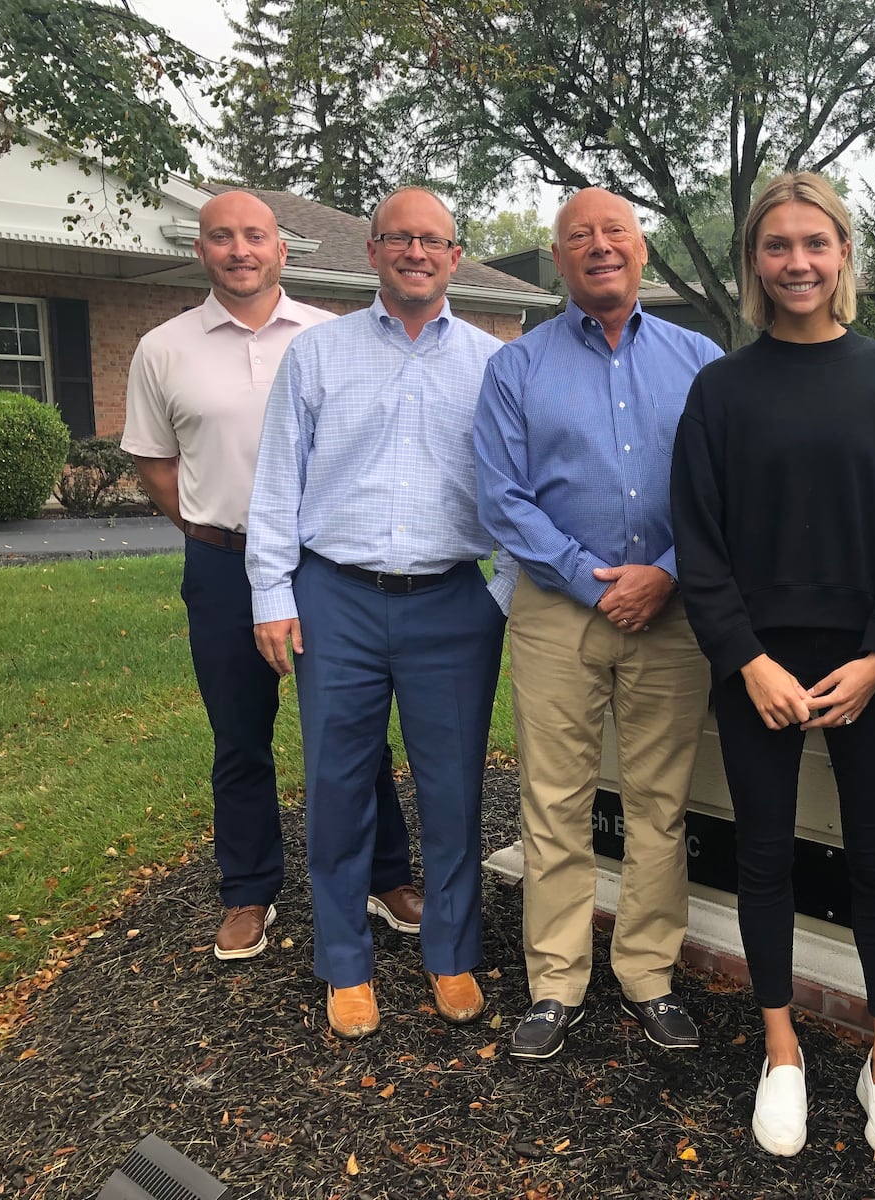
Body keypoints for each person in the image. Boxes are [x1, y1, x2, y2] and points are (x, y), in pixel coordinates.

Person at [671, 172, 875, 1163]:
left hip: (867, 665)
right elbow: (696, 546)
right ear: (754, 263)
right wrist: (745, 661)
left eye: (814, 244)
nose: (797, 263)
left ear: (842, 256)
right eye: (776, 246)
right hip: (759, 670)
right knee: (765, 856)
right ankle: (779, 1049)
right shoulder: (720, 390)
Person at [122, 189, 424, 964]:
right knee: (240, 735)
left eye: (255, 236)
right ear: (202, 250)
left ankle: (386, 875)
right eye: (221, 237)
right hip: (222, 562)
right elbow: (154, 460)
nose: (239, 250)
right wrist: (198, 524)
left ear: (284, 250)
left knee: (353, 731)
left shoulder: (332, 337)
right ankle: (250, 890)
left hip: (325, 569)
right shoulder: (165, 347)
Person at [246, 187, 510, 1041]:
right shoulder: (317, 355)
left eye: (434, 241)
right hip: (338, 597)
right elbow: (278, 483)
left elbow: (521, 490)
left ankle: (451, 952)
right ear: (372, 251)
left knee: (453, 788)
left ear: (456, 256)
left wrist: (497, 596)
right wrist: (272, 595)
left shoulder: (490, 363)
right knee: (335, 783)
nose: (417, 253)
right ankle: (345, 962)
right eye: (400, 239)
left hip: (450, 603)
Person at [473, 187, 721, 1061]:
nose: (598, 246)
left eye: (613, 230)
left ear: (641, 248)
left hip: (673, 609)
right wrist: (590, 579)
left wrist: (668, 574)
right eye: (578, 236)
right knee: (554, 800)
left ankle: (648, 975)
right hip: (553, 609)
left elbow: (725, 488)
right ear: (560, 258)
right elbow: (501, 497)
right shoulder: (518, 367)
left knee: (660, 804)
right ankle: (556, 981)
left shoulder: (699, 360)